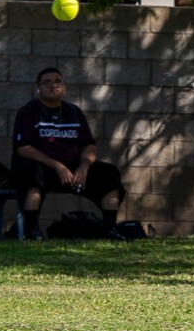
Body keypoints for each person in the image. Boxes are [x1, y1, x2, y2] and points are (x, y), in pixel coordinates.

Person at [10, 67, 125, 240]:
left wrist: (84, 166)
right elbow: (23, 148)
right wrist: (57, 166)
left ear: (64, 88)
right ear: (38, 88)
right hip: (44, 167)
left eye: (57, 82)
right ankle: (31, 229)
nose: (53, 86)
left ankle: (110, 229)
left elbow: (89, 146)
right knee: (32, 173)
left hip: (74, 170)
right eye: (46, 82)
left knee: (109, 173)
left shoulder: (74, 112)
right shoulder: (28, 111)